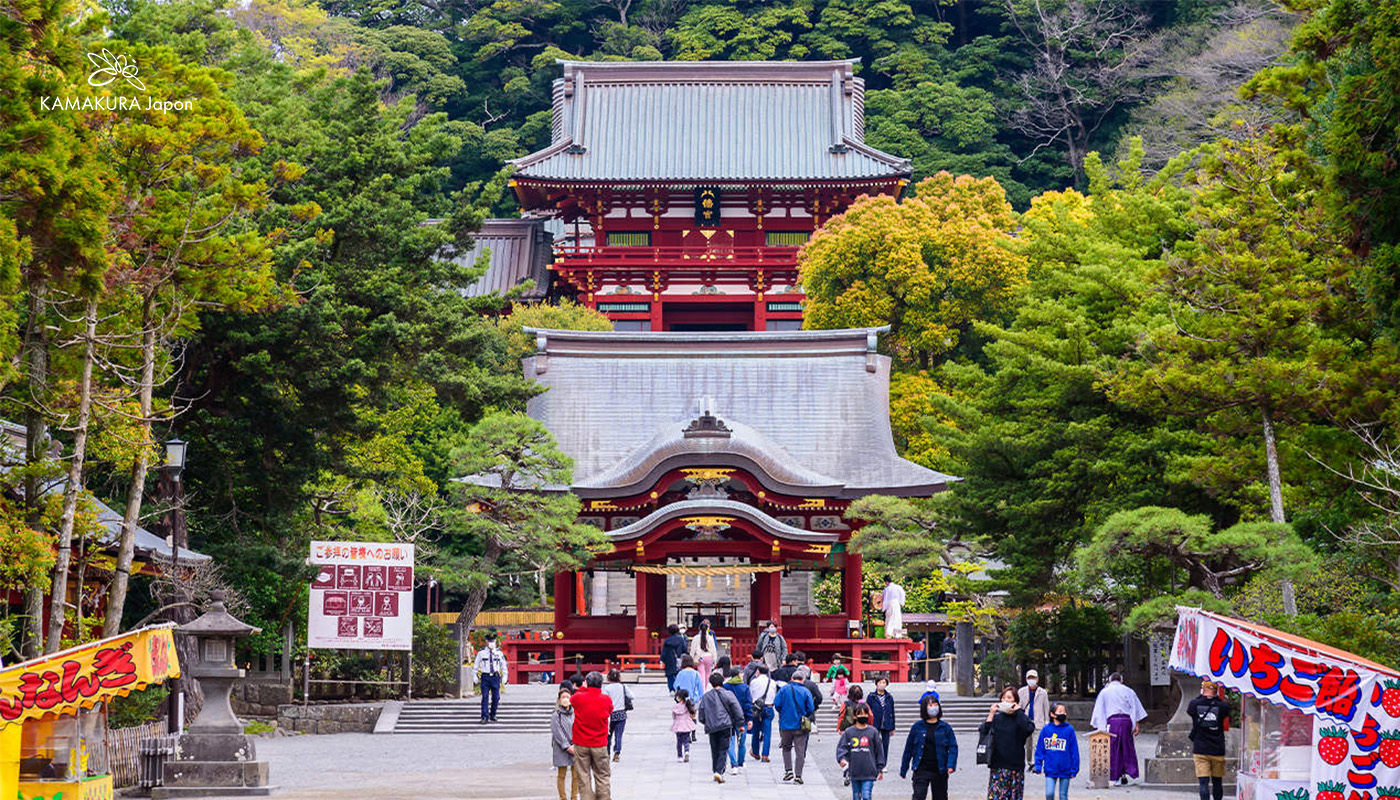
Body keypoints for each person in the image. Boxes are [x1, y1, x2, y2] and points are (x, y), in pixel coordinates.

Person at [1089, 672, 1148, 785]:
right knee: (1126, 747)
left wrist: (1100, 727)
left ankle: (1114, 776)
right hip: (1126, 722)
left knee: (1113, 748)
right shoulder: (1129, 691)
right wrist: (1136, 724)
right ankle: (1124, 773)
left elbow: (1099, 710)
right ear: (1121, 680)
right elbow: (1134, 708)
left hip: (1112, 722)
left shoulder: (1104, 692)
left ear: (1110, 680)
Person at [980, 686, 1036, 800]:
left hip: (1016, 766)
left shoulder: (1020, 718)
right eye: (1003, 697)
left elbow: (1028, 729)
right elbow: (984, 731)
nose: (1005, 700)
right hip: (998, 765)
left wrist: (1019, 711)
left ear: (1015, 701)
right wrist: (991, 714)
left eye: (1009, 697)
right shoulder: (997, 719)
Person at [901, 695, 958, 800]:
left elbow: (953, 747)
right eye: (930, 705)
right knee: (919, 795)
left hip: (939, 768)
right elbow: (908, 749)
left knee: (940, 796)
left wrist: (951, 764)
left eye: (936, 705)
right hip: (921, 768)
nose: (933, 707)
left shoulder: (945, 728)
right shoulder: (917, 727)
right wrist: (904, 768)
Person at [570, 672, 613, 800]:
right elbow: (610, 710)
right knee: (602, 775)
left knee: (583, 775)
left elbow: (573, 696)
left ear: (587, 683)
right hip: (599, 743)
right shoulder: (606, 699)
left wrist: (584, 687)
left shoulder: (578, 698)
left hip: (581, 742)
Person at [697, 671, 745, 784]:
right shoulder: (728, 694)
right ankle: (719, 771)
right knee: (723, 749)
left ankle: (715, 771)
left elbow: (701, 714)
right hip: (725, 725)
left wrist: (706, 722)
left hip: (712, 726)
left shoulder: (706, 696)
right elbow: (737, 709)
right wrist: (740, 723)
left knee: (715, 749)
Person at [1188, 679, 1231, 800]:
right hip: (1217, 749)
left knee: (1203, 783)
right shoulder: (1222, 706)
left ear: (1203, 689)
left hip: (1200, 749)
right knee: (1217, 782)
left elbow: (1190, 711)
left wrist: (1202, 696)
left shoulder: (1194, 704)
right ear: (1216, 691)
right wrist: (1215, 698)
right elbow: (1225, 711)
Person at [773, 666, 816, 784]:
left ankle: (788, 771)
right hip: (800, 725)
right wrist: (804, 714)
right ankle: (798, 775)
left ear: (792, 678)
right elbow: (811, 708)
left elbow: (776, 704)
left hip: (785, 724)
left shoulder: (783, 690)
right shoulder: (806, 691)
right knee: (800, 751)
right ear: (803, 679)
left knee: (786, 748)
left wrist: (784, 712)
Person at [837, 702, 886, 800]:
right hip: (855, 770)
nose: (862, 716)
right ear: (855, 716)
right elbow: (842, 747)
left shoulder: (873, 732)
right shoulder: (849, 732)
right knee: (856, 795)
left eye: (865, 714)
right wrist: (841, 758)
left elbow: (879, 751)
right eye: (860, 714)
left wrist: (880, 768)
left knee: (866, 795)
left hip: (869, 771)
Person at [1033, 703, 1080, 800]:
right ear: (1052, 714)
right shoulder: (1046, 730)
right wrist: (1038, 765)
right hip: (1050, 768)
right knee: (1049, 794)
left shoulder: (1069, 730)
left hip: (1065, 769)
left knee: (1063, 795)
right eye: (1060, 712)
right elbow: (1040, 749)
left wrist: (1074, 768)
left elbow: (1074, 750)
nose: (1063, 714)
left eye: (1064, 712)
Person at [550, 687, 582, 800]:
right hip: (561, 748)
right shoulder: (556, 715)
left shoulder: (575, 713)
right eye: (563, 697)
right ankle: (563, 797)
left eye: (568, 697)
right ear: (559, 699)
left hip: (575, 746)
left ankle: (574, 796)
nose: (565, 699)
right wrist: (567, 746)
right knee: (561, 774)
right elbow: (557, 732)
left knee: (576, 774)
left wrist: (576, 743)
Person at [722, 667, 754, 775]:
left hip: (729, 718)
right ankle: (741, 762)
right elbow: (748, 705)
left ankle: (733, 764)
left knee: (730, 742)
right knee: (741, 743)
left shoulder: (725, 686)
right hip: (742, 718)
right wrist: (749, 718)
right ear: (738, 675)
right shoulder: (745, 688)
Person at [1019, 669, 1051, 763]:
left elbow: (1046, 707)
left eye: (1033, 677)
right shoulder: (1021, 691)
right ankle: (1029, 760)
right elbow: (1019, 706)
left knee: (1036, 743)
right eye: (1029, 677)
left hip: (1038, 720)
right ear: (1026, 679)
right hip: (1026, 721)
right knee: (1027, 744)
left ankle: (1035, 762)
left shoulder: (1043, 692)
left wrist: (1047, 721)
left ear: (1037, 679)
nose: (1031, 679)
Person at [748, 665, 778, 763]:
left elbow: (751, 695)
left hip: (757, 708)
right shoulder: (772, 682)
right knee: (767, 732)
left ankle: (755, 751)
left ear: (758, 671)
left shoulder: (754, 682)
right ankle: (765, 755)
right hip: (768, 707)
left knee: (756, 730)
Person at [475, 633, 507, 723]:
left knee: (496, 697)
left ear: (495, 642)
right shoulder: (481, 653)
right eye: (490, 641)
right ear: (486, 642)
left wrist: (505, 676)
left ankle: (493, 714)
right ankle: (484, 716)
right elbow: (476, 665)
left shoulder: (499, 653)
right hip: (485, 677)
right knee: (485, 697)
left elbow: (503, 665)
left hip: (495, 677)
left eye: (493, 641)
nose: (491, 643)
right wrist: (475, 675)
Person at [601, 670, 633, 763]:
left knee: (608, 735)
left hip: (610, 713)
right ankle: (617, 752)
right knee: (619, 735)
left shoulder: (607, 688)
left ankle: (607, 753)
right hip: (621, 713)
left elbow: (604, 699)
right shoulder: (622, 686)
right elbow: (631, 696)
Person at [867, 677, 897, 758]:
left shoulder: (889, 697)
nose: (882, 684)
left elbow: (892, 712)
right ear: (876, 684)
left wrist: (893, 727)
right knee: (873, 744)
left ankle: (883, 763)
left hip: (886, 723)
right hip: (874, 723)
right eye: (880, 682)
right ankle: (874, 762)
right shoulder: (871, 696)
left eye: (884, 683)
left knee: (885, 745)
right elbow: (867, 711)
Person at [690, 618, 720, 686]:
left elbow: (693, 649)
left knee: (701, 674)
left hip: (700, 657)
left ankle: (702, 689)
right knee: (707, 674)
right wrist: (715, 659)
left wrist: (691, 658)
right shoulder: (710, 638)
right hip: (709, 656)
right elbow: (713, 649)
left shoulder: (696, 638)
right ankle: (705, 688)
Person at [671, 688, 697, 763]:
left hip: (678, 726)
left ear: (679, 698)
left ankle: (680, 756)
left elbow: (674, 716)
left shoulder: (676, 707)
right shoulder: (688, 706)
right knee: (686, 740)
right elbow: (692, 715)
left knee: (679, 742)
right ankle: (687, 751)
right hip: (686, 725)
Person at [660, 624, 687, 692]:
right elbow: (684, 649)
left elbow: (664, 652)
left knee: (670, 675)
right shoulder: (681, 639)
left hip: (669, 659)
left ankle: (671, 689)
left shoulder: (667, 641)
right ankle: (679, 688)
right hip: (678, 658)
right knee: (678, 674)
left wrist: (661, 660)